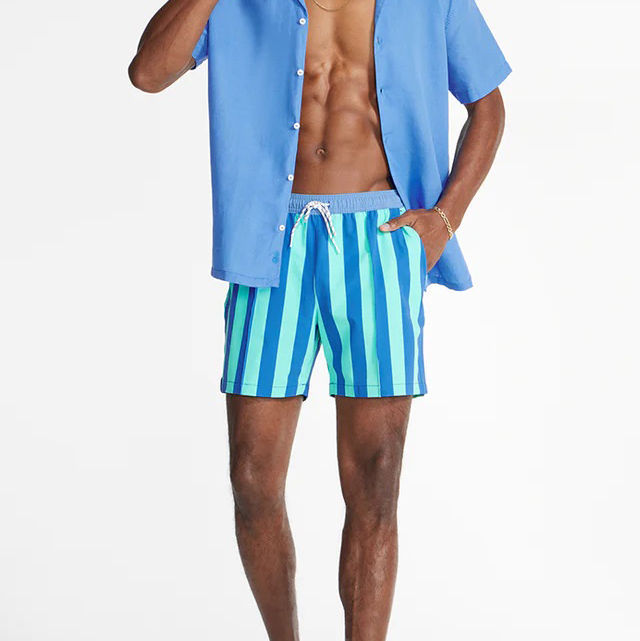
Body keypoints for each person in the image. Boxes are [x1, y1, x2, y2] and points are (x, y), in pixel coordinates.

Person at [128, 0, 510, 638]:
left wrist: (445, 220)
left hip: (382, 238)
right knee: (253, 479)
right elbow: (148, 73)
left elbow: (488, 104)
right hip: (269, 243)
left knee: (376, 481)